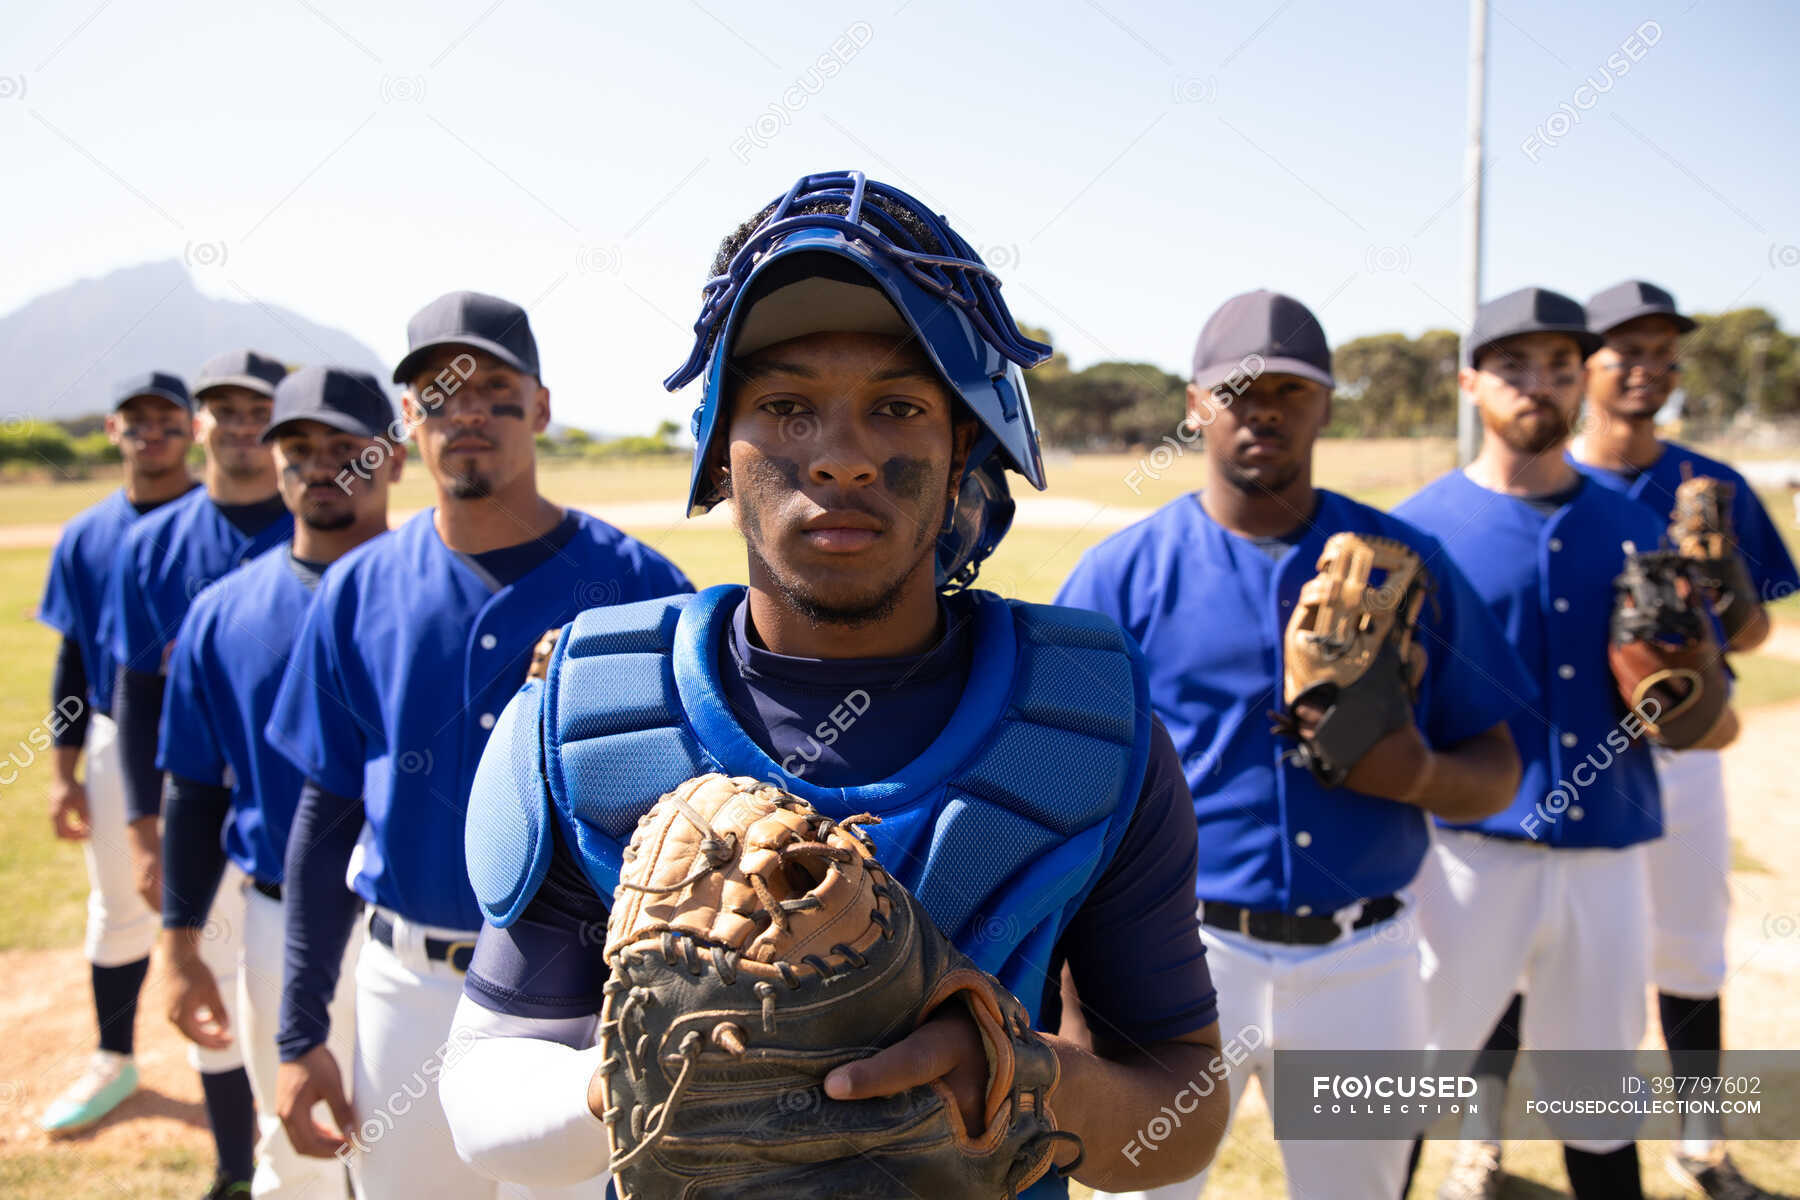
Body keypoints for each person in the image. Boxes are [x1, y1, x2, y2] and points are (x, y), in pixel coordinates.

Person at [438, 170, 1229, 1198]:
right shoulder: (596, 717)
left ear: (963, 456)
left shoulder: (1083, 723)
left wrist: (1020, 1076)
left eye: (898, 406)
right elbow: (480, 1100)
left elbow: (1183, 1119)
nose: (844, 456)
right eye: (789, 406)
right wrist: (633, 1077)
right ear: (725, 448)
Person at [1056, 290, 1526, 1200]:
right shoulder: (1120, 575)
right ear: (1197, 406)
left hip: (1368, 957)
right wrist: (1077, 987)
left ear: (1327, 403)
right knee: (1145, 1188)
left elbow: (1500, 769)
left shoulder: (1404, 559)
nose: (1264, 407)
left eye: (1292, 389)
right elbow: (1059, 786)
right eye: (1239, 390)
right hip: (1173, 955)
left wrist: (1419, 772)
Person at [266, 291, 692, 1200]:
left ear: (540, 408)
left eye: (493, 390)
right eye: (436, 393)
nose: (465, 413)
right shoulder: (355, 590)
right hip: (406, 986)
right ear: (409, 422)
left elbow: (696, 815)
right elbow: (324, 816)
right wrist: (300, 1035)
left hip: (587, 995)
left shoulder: (642, 590)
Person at [1460, 281, 1796, 1200]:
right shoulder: (1524, 489)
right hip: (1528, 787)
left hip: (1666, 763)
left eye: (1664, 351)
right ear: (1588, 367)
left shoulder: (1696, 489)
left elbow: (1752, 634)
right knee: (1514, 969)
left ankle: (1700, 1145)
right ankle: (1480, 1144)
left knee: (1686, 954)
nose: (1648, 368)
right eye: (1625, 350)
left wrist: (1717, 598)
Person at [1394, 286, 1705, 1200]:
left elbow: (1696, 699)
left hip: (1608, 855)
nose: (1539, 384)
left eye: (1560, 367)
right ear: (1470, 383)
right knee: (1406, 1091)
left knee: (1600, 1106)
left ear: (1584, 380)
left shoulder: (1638, 527)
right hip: (1460, 856)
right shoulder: (1415, 528)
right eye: (1513, 366)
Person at [160, 367, 404, 1198]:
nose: (321, 467)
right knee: (297, 1157)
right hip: (274, 921)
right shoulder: (222, 612)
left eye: (347, 450)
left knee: (417, 1162)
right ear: (276, 464)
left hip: (420, 932)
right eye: (299, 449)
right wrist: (179, 943)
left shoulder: (443, 594)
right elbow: (194, 792)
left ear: (392, 459)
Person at [108, 349, 294, 1197]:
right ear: (201, 423)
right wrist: (143, 829)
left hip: (297, 803)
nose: (242, 425)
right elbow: (138, 693)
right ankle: (230, 1167)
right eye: (225, 408)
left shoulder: (325, 522)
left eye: (260, 410)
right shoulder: (153, 544)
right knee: (214, 994)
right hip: (199, 799)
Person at [36, 372, 199, 1137]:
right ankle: (113, 1054)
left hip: (216, 746)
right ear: (113, 428)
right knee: (119, 901)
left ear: (192, 429)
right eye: (138, 420)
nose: (152, 432)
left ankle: (232, 1065)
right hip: (113, 735)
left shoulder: (225, 520)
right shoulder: (86, 535)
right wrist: (62, 773)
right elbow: (74, 656)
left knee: (236, 911)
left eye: (168, 419)